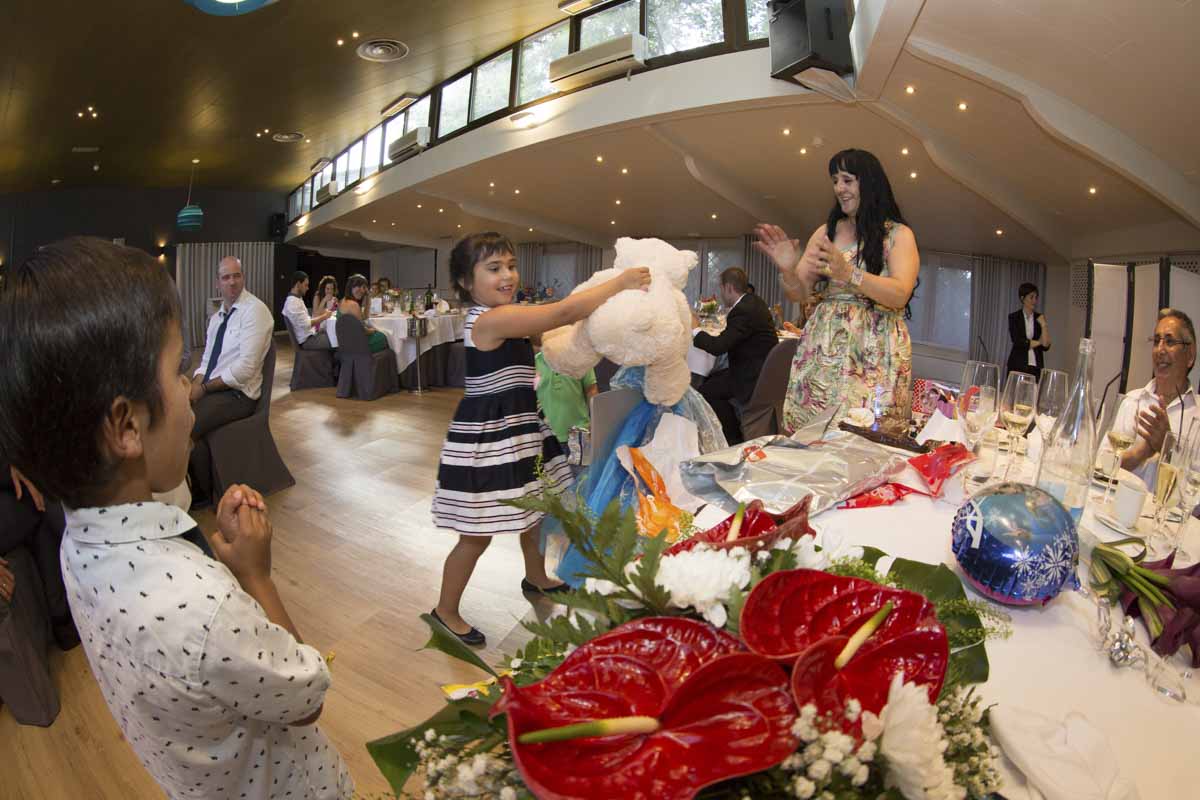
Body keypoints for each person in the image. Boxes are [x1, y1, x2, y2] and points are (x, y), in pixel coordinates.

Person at [0, 237, 351, 799]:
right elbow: (306, 698)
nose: (190, 390)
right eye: (177, 371)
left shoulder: (77, 545)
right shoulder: (205, 607)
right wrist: (254, 576)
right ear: (127, 427)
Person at [431, 232, 650, 646]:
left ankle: (535, 575)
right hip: (492, 437)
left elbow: (555, 332)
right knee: (476, 535)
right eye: (494, 268)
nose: (507, 275)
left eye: (511, 266)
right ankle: (445, 609)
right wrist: (619, 283)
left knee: (536, 507)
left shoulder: (506, 316)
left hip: (520, 426)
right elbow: (561, 312)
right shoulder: (489, 320)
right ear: (465, 281)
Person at [755, 148, 919, 434]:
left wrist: (849, 273)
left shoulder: (898, 235)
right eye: (835, 181)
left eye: (847, 180)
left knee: (865, 434)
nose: (839, 188)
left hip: (875, 351)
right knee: (812, 432)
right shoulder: (826, 233)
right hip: (824, 348)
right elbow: (799, 293)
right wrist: (788, 269)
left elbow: (900, 293)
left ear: (869, 182)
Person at [188, 256, 274, 502]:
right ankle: (199, 488)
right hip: (215, 390)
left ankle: (200, 495)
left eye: (237, 275)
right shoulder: (216, 319)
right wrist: (194, 386)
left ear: (243, 278)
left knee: (187, 424)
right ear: (218, 283)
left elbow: (245, 369)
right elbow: (207, 360)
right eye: (226, 277)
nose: (232, 282)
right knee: (178, 415)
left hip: (239, 395)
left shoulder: (255, 311)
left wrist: (204, 389)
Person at [1101, 308, 1198, 486]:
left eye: (1169, 341)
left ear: (1190, 355)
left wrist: (1168, 449)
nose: (1160, 349)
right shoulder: (1132, 401)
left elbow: (1194, 492)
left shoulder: (1197, 416)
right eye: (1156, 341)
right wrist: (1142, 453)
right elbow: (1101, 467)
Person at [691, 267, 779, 444]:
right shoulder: (754, 302)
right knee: (713, 378)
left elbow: (718, 346)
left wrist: (695, 329)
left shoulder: (743, 310)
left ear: (728, 287)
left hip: (751, 377)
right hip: (762, 371)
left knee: (706, 391)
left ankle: (732, 439)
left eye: (721, 289)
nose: (721, 294)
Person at [534, 348, 598, 444]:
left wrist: (596, 423)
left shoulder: (581, 359)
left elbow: (592, 391)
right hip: (546, 437)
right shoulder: (533, 364)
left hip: (579, 434)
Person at [1007, 282, 1050, 378]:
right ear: (1022, 298)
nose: (1034, 301)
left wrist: (1044, 325)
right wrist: (1039, 342)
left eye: (1036, 297)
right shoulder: (1014, 317)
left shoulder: (1039, 318)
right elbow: (1018, 341)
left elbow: (1046, 346)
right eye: (1031, 297)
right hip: (1018, 364)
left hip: (1036, 366)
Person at [283, 270, 333, 350]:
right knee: (336, 339)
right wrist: (325, 316)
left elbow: (305, 321)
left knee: (333, 335)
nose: (307, 288)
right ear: (298, 284)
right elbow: (307, 324)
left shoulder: (296, 299)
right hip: (307, 341)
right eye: (306, 285)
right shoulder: (293, 303)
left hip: (309, 335)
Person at [339, 273, 389, 353]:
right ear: (351, 287)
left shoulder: (342, 301)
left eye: (364, 287)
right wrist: (373, 331)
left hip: (346, 343)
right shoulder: (353, 305)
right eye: (358, 287)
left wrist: (368, 298)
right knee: (385, 337)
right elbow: (362, 330)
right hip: (357, 345)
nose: (362, 290)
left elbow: (365, 317)